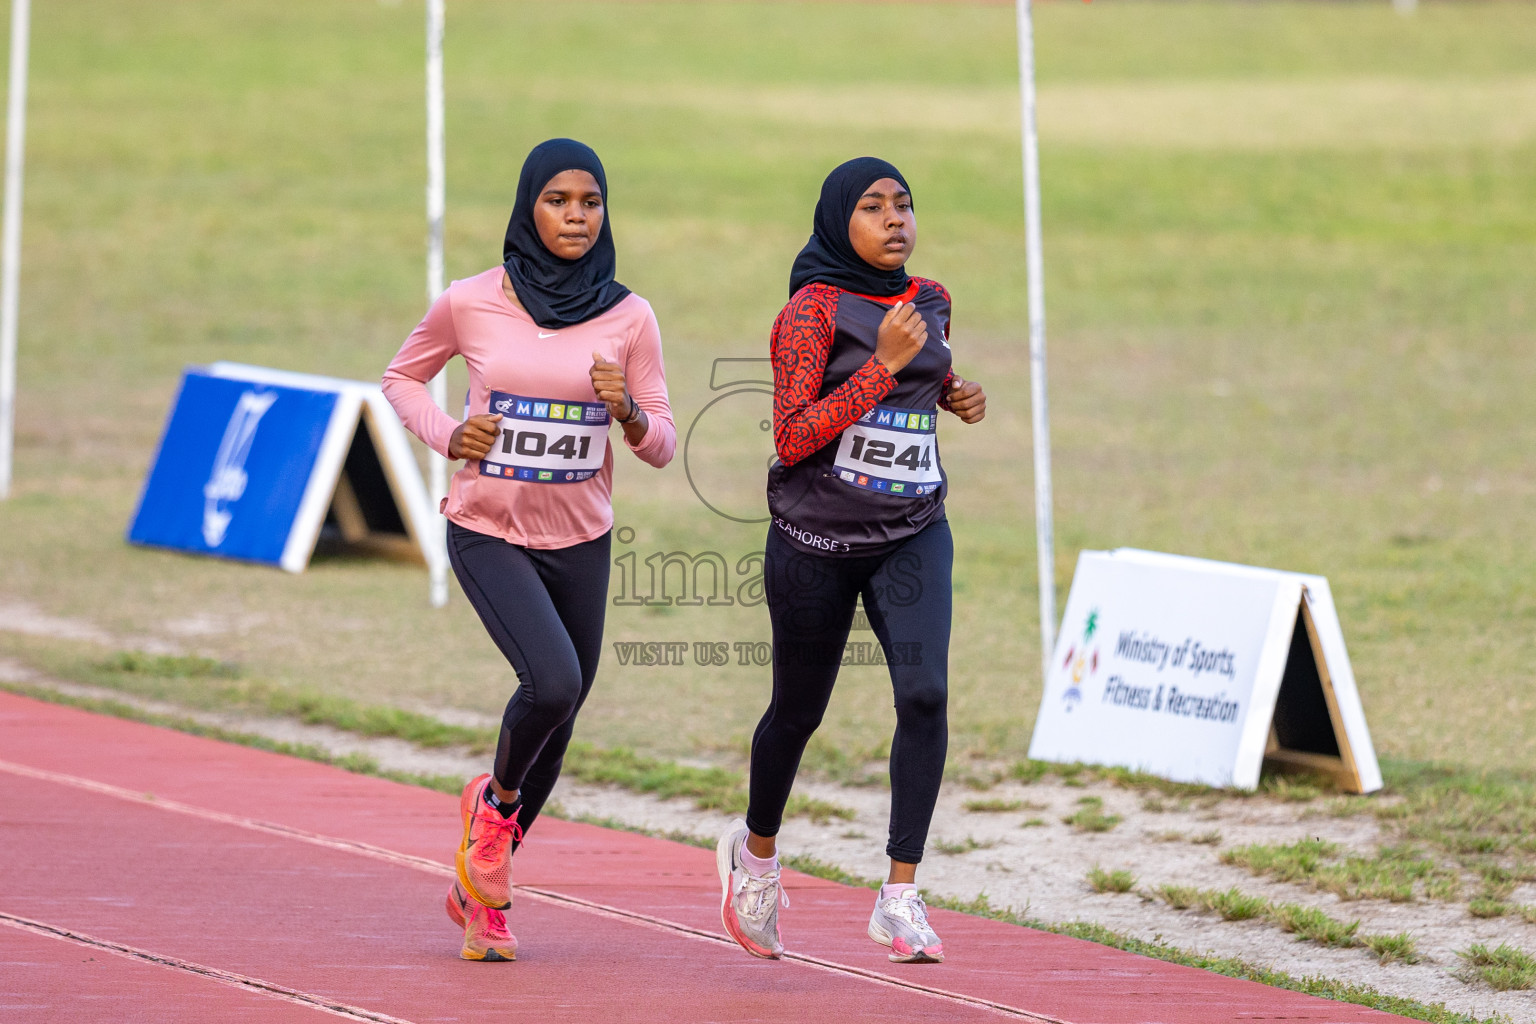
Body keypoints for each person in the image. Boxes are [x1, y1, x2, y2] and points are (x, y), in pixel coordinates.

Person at [383, 139, 675, 962]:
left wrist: (630, 416)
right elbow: (401, 378)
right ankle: (493, 811)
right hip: (486, 528)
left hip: (579, 538)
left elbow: (663, 444)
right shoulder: (471, 301)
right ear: (528, 208)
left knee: (562, 716)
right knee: (551, 682)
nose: (577, 216)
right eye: (558, 200)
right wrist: (449, 433)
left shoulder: (630, 315)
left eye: (591, 201)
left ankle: (483, 892)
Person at [716, 157, 986, 964]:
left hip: (910, 532)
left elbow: (919, 384)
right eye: (873, 208)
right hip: (816, 543)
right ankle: (755, 858)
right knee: (798, 714)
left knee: (927, 696)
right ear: (841, 222)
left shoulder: (930, 300)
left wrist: (952, 391)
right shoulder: (810, 312)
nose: (895, 219)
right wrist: (884, 368)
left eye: (904, 204)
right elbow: (794, 435)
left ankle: (900, 896)